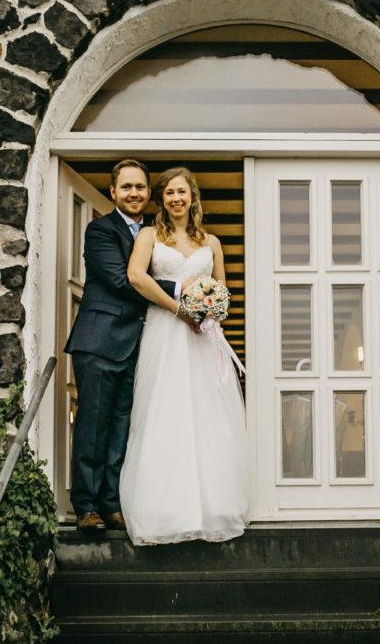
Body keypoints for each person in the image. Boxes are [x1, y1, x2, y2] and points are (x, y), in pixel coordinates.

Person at [63, 159, 198, 532]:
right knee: (93, 423)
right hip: (101, 340)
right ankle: (86, 505)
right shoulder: (100, 231)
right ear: (113, 192)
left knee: (123, 425)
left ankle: (111, 503)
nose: (134, 193)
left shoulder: (156, 234)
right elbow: (124, 280)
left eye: (140, 187)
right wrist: (178, 290)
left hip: (139, 343)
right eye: (127, 187)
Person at [120, 166, 249, 545]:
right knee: (165, 413)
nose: (177, 198)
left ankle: (214, 506)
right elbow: (135, 277)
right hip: (166, 332)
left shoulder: (211, 242)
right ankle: (165, 510)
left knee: (209, 416)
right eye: (170, 193)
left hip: (203, 338)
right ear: (162, 199)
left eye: (183, 192)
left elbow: (222, 291)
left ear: (192, 196)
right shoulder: (148, 236)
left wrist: (208, 311)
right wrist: (180, 309)